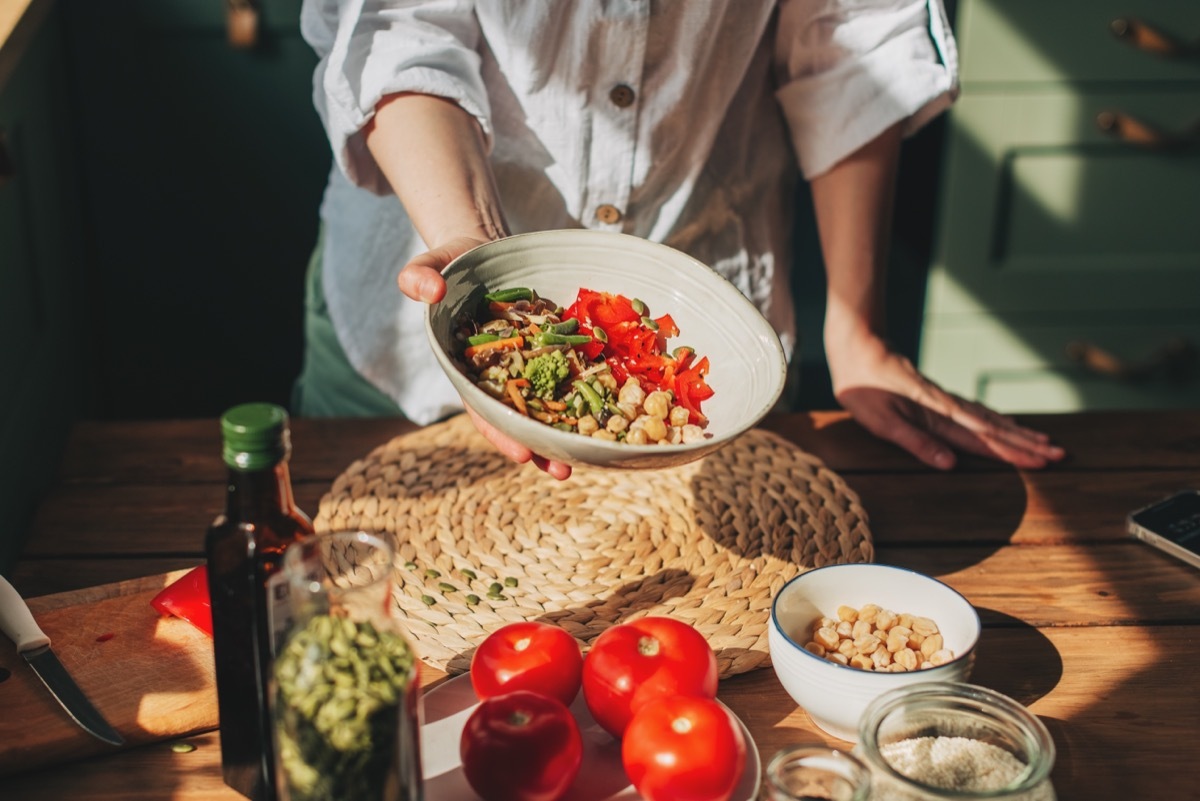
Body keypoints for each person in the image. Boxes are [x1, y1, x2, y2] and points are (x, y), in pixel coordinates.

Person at [294, 0, 1065, 480]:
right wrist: (479, 259)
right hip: (408, 307)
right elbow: (401, 27)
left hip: (712, 304)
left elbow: (852, 39)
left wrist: (857, 327)